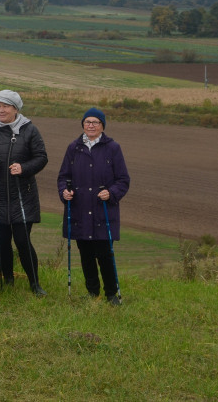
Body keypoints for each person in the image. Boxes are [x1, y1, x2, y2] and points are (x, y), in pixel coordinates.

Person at [0, 90, 49, 295]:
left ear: (15, 109)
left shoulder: (29, 129)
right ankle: (8, 279)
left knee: (23, 240)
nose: (0, 110)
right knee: (1, 242)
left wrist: (24, 168)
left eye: (5, 106)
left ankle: (35, 283)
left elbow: (41, 157)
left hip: (23, 197)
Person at [58, 108, 131, 305]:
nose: (91, 125)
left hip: (102, 212)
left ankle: (111, 294)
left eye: (95, 122)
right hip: (80, 211)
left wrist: (111, 193)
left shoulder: (112, 148)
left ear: (102, 126)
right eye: (87, 122)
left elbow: (123, 180)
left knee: (105, 255)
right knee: (86, 255)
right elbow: (63, 177)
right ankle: (92, 293)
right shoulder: (73, 148)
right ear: (83, 124)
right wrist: (64, 192)